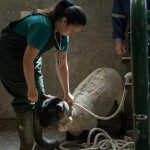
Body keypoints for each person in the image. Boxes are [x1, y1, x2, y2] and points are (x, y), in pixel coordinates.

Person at [0, 0, 86, 149]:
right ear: (64, 20)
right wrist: (31, 88)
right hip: (9, 56)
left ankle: (39, 139)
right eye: (72, 30)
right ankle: (26, 145)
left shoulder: (62, 33)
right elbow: (26, 60)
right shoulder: (42, 25)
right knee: (26, 98)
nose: (72, 34)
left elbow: (62, 63)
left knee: (39, 97)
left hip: (31, 57)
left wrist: (67, 93)